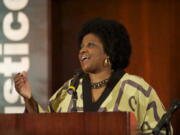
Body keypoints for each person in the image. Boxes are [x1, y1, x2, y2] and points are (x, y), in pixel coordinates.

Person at [14, 17, 169, 134]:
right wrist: (28, 98)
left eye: (90, 45)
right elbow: (45, 125)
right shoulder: (71, 88)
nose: (82, 50)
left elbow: (161, 130)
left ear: (108, 51)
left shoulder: (136, 89)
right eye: (81, 46)